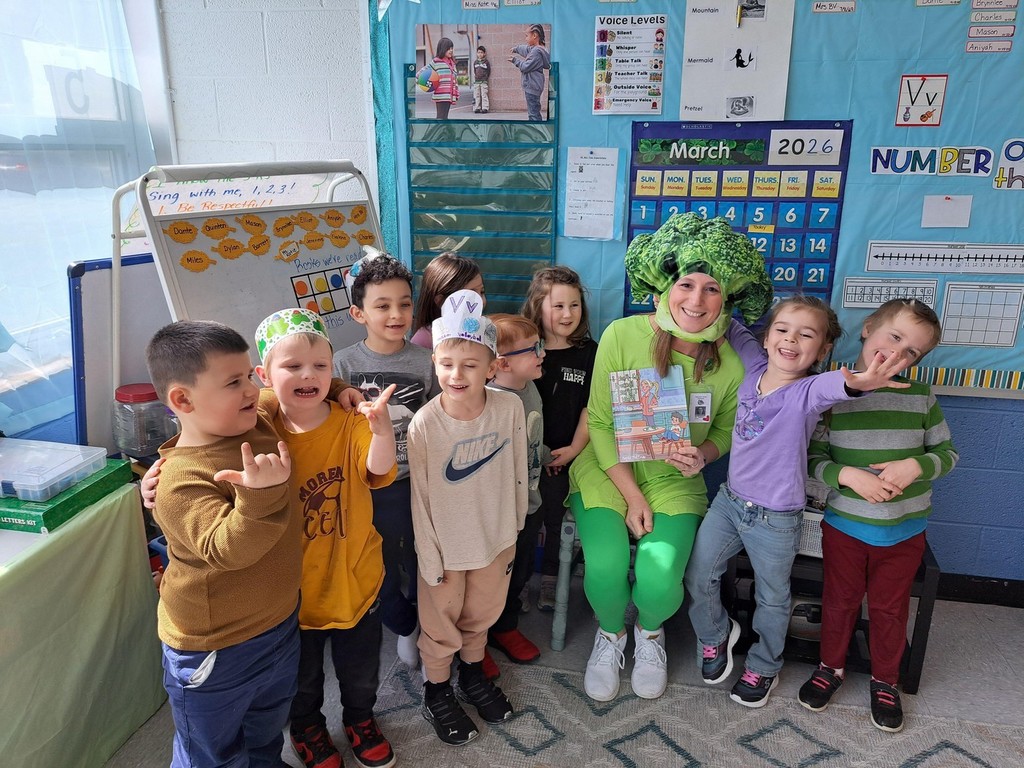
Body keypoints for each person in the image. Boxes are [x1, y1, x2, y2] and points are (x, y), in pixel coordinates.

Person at [568, 212, 773, 702]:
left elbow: (724, 432)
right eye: (686, 284)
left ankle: (651, 634)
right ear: (663, 288)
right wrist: (632, 494)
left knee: (660, 578)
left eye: (712, 289)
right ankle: (612, 634)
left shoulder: (735, 363)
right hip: (606, 468)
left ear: (729, 298)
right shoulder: (621, 335)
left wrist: (702, 455)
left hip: (675, 480)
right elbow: (599, 422)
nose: (696, 300)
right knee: (604, 566)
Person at [684, 296, 913, 710]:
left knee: (773, 597)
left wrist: (861, 380)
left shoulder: (809, 391)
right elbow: (728, 322)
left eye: (806, 335)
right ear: (767, 336)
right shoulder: (753, 363)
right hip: (729, 503)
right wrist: (719, 293)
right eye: (783, 330)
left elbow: (840, 383)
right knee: (699, 576)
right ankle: (715, 635)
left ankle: (764, 666)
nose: (791, 340)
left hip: (775, 518)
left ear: (823, 350)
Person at [144, 320, 300, 768]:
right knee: (212, 753)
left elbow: (295, 384)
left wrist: (340, 387)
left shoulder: (258, 416)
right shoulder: (178, 480)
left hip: (278, 624)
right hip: (213, 650)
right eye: (234, 382)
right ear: (182, 399)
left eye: (250, 375)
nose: (251, 388)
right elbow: (229, 550)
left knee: (267, 728)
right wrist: (262, 494)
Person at [798, 299, 958, 733]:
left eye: (912, 352)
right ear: (868, 329)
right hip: (845, 527)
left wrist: (916, 466)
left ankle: (885, 679)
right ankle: (830, 667)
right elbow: (813, 459)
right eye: (895, 337)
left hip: (904, 530)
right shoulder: (833, 392)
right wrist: (848, 475)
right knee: (839, 600)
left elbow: (947, 454)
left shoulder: (923, 398)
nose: (898, 354)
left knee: (889, 609)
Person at [253, 308, 399, 768]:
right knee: (302, 676)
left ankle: (360, 719)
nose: (307, 376)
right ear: (264, 375)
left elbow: (377, 469)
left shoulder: (350, 420)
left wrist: (381, 430)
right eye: (292, 366)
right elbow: (206, 434)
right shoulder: (259, 425)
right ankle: (308, 727)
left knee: (360, 671)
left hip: (353, 577)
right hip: (291, 592)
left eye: (320, 366)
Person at [407, 290, 528, 746]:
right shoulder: (424, 424)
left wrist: (513, 529)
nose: (456, 375)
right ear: (435, 361)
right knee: (441, 624)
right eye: (446, 364)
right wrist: (430, 556)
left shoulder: (508, 408)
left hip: (495, 540)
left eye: (470, 365)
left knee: (482, 613)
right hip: (444, 548)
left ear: (492, 367)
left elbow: (519, 470)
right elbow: (419, 497)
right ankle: (436, 690)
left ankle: (473, 676)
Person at [334, 251, 440, 670]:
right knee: (375, 563)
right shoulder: (341, 364)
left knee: (418, 557)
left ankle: (419, 624)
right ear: (358, 313)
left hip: (414, 482)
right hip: (365, 486)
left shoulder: (425, 361)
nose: (396, 314)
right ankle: (402, 621)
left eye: (404, 304)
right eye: (382, 306)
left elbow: (437, 421)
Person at [521, 265, 597, 612]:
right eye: (558, 306)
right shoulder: (525, 351)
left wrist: (572, 451)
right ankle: (516, 581)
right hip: (527, 456)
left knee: (555, 517)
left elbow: (589, 408)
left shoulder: (590, 352)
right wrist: (539, 454)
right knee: (524, 520)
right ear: (538, 307)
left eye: (575, 305)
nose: (568, 314)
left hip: (569, 456)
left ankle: (552, 576)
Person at [483, 313, 552, 678]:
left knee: (521, 570)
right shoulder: (490, 401)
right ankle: (476, 640)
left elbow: (534, 434)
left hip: (530, 503)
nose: (542, 354)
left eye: (540, 345)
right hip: (499, 515)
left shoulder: (529, 384)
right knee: (491, 579)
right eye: (534, 349)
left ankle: (505, 626)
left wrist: (546, 455)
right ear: (502, 363)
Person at [410, 252, 485, 349]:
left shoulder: (484, 332)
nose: (481, 301)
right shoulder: (424, 340)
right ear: (440, 300)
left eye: (482, 292)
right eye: (471, 295)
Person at [509, 24, 550, 121]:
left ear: (535, 35)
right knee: (534, 111)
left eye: (527, 36)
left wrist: (515, 60)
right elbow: (526, 49)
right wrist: (516, 49)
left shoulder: (536, 52)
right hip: (535, 86)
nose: (525, 38)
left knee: (533, 115)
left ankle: (536, 133)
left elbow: (525, 67)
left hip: (532, 86)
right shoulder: (538, 49)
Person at [430, 37, 459, 120]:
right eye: (448, 48)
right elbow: (421, 73)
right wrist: (423, 83)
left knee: (445, 118)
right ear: (443, 49)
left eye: (452, 48)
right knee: (440, 118)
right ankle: (438, 132)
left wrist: (456, 93)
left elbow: (455, 80)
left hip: (449, 95)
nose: (451, 50)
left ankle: (443, 132)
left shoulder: (452, 63)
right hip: (441, 95)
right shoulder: (436, 61)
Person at [472, 45, 490, 114]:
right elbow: (474, 71)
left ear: (484, 53)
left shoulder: (486, 62)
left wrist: (485, 77)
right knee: (477, 95)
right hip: (477, 81)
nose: (480, 54)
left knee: (484, 94)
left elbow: (488, 71)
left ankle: (485, 108)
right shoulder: (475, 62)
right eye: (478, 52)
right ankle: (477, 107)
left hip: (484, 81)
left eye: (481, 52)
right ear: (477, 53)